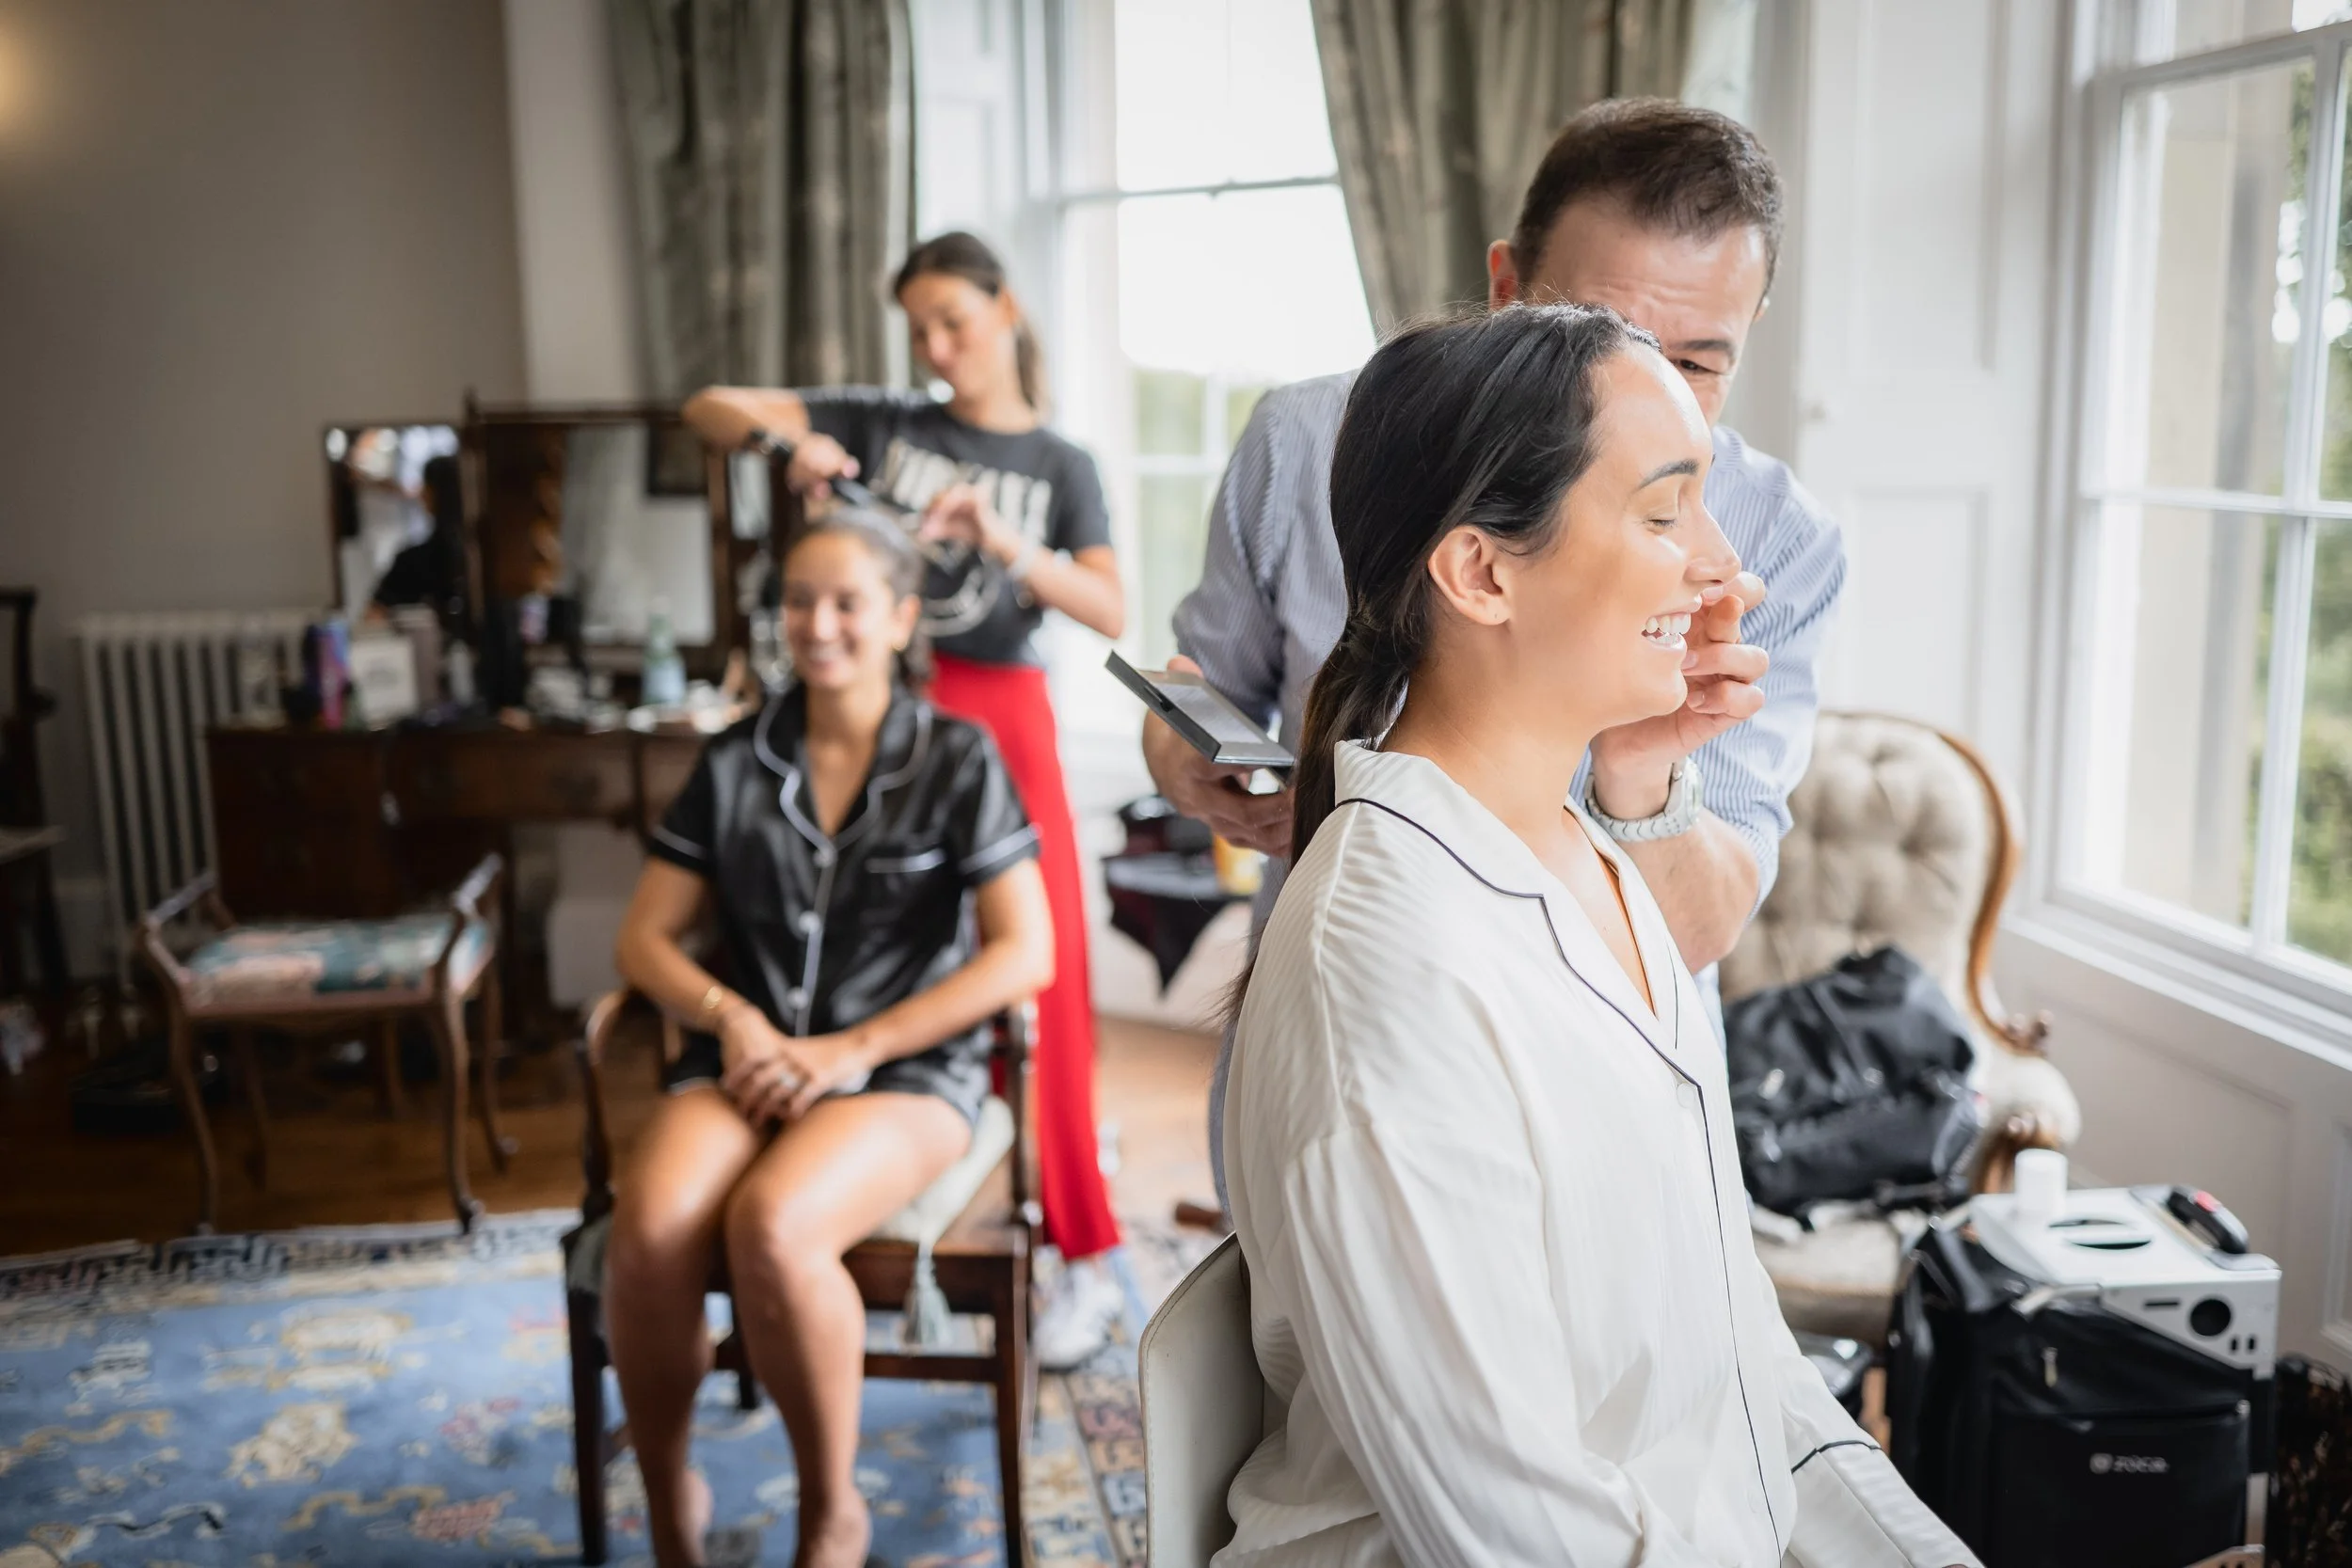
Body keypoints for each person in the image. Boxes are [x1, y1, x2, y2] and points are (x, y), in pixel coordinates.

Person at [1222, 302, 1973, 1566]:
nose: (1730, 568)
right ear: (1482, 570)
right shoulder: (1390, 965)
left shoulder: (1591, 859)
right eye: (1668, 511)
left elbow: (1747, 1367)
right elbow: (1525, 1534)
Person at [1147, 101, 1840, 1202]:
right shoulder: (1303, 446)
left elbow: (1698, 929)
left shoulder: (1774, 538)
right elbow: (1199, 697)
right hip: (1345, 1033)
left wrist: (1643, 764)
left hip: (1620, 1067)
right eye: (1594, 340)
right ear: (1507, 288)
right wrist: (1189, 763)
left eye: (1701, 362)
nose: (1647, 396)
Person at [683, 231, 1131, 1369]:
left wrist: (1005, 540)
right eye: (919, 328)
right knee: (885, 954)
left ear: (1007, 310)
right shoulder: (891, 419)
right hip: (887, 714)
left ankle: (1078, 1250)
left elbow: (1110, 609)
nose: (936, 349)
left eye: (955, 323)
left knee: (1048, 984)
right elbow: (708, 405)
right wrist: (796, 443)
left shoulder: (1058, 459)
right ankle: (870, 1201)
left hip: (1004, 714)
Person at [604, 512, 1055, 1568]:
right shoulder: (732, 758)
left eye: (847, 600)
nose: (817, 624)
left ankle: (829, 1513)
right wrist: (735, 1018)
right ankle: (672, 1499)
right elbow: (644, 938)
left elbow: (1023, 953)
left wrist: (854, 1047)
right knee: (652, 1224)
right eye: (798, 600)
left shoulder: (957, 756)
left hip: (902, 1074)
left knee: (772, 1224)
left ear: (901, 617)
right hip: (744, 1061)